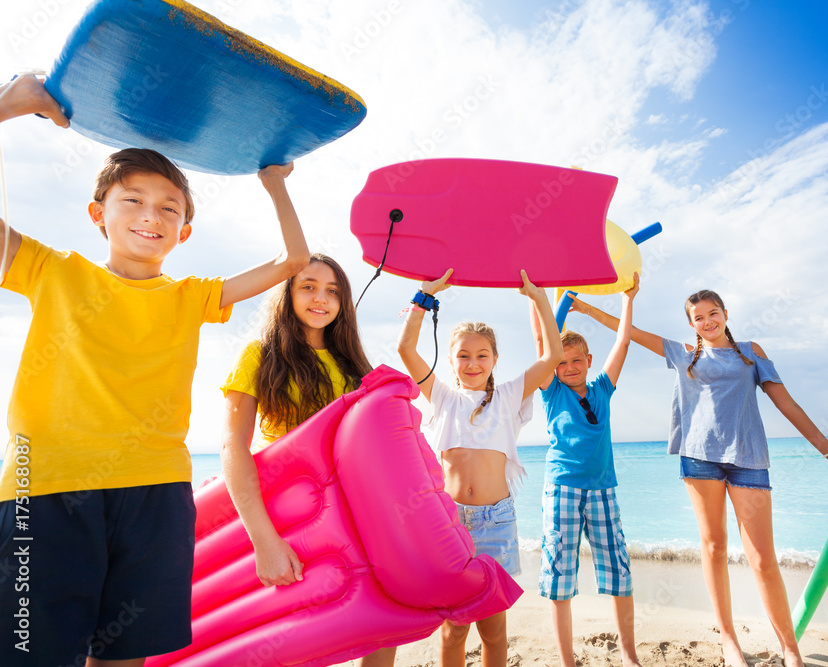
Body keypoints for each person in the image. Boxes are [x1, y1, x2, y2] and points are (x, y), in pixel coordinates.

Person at [0, 74, 310, 667]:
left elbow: (293, 260)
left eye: (169, 208)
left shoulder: (192, 296)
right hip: (44, 488)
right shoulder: (52, 270)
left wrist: (272, 184)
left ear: (184, 230)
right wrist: (10, 108)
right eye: (133, 201)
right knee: (33, 655)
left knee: (127, 656)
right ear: (98, 213)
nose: (152, 216)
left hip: (156, 491)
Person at [573, 288, 828, 667]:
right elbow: (627, 331)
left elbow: (787, 403)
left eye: (713, 313)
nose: (707, 321)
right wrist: (584, 307)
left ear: (726, 314)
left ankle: (790, 649)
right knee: (714, 547)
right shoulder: (682, 353)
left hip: (748, 458)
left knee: (763, 558)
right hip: (699, 459)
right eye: (698, 317)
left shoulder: (751, 352)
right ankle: (729, 642)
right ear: (691, 324)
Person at [220, 253, 397, 665]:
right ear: (287, 293)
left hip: (357, 512)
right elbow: (233, 446)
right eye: (308, 286)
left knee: (384, 623)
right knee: (301, 639)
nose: (321, 298)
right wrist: (263, 540)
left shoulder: (353, 365)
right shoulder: (260, 356)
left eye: (333, 291)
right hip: (295, 515)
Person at [396, 269, 561, 667]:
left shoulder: (508, 396)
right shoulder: (443, 397)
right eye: (464, 355)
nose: (473, 363)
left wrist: (538, 298)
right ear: (451, 361)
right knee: (453, 629)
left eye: (482, 355)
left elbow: (552, 356)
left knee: (493, 629)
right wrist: (424, 296)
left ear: (495, 359)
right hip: (450, 524)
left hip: (497, 522)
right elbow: (405, 348)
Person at [530, 274, 642, 667]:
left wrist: (628, 299)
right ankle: (566, 660)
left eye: (578, 361)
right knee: (560, 578)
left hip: (602, 490)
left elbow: (623, 342)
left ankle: (629, 653)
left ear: (589, 362)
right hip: (562, 489)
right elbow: (543, 343)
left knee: (619, 572)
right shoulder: (552, 391)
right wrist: (538, 296)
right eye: (563, 362)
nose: (571, 367)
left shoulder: (602, 389)